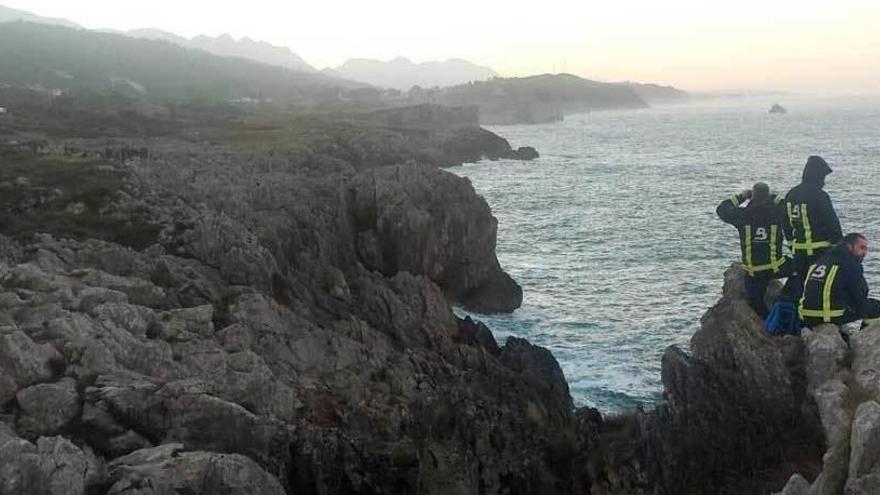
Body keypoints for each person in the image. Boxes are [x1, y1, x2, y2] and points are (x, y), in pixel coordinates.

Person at [717, 182, 793, 318]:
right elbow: (787, 205)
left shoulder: (743, 215)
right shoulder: (777, 213)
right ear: (767, 198)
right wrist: (773, 197)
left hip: (754, 271)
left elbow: (722, 209)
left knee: (755, 302)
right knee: (803, 267)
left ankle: (768, 321)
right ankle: (787, 296)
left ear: (752, 199)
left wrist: (742, 196)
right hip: (777, 267)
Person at [784, 156, 843, 301]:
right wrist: (840, 246)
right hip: (820, 252)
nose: (824, 181)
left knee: (799, 287)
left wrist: (792, 245)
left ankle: (793, 318)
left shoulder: (791, 194)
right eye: (822, 177)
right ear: (817, 176)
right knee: (819, 287)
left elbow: (785, 224)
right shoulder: (820, 196)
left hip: (799, 252)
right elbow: (832, 223)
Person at [799, 233, 880, 331]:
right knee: (875, 307)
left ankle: (843, 333)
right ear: (849, 246)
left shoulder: (822, 260)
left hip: (806, 315)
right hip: (828, 315)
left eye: (866, 249)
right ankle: (864, 339)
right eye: (861, 248)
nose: (864, 252)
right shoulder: (850, 264)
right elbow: (861, 294)